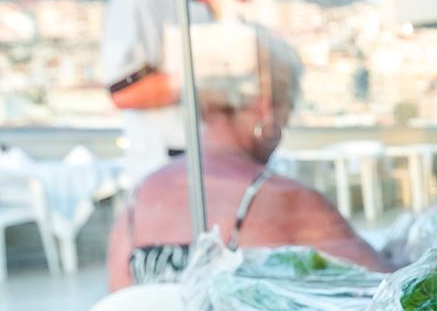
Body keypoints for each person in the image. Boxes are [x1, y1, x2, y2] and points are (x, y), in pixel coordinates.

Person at [106, 25, 388, 290]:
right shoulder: (286, 200)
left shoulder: (139, 200)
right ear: (265, 108)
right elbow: (389, 289)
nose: (285, 125)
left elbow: (119, 302)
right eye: (287, 109)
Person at [101, 0, 280, 179]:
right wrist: (218, 78)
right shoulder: (142, 0)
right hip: (167, 171)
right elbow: (124, 93)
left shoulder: (217, 12)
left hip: (219, 170)